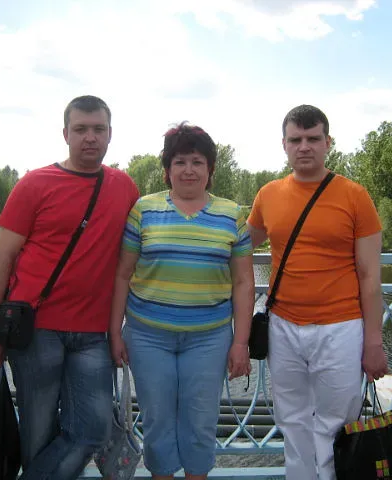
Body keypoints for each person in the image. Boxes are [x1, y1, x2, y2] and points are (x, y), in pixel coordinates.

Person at [0, 95, 139, 480]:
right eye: (81, 129)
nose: (90, 137)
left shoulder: (123, 187)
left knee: (94, 429)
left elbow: (140, 248)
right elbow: (2, 260)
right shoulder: (35, 184)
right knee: (38, 433)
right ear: (65, 134)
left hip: (93, 333)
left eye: (98, 129)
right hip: (36, 331)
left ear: (110, 134)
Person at [247, 105, 388, 480]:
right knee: (291, 420)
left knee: (336, 424)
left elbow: (370, 275)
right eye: (296, 139)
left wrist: (373, 341)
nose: (304, 146)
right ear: (284, 144)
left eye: (313, 138)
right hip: (283, 327)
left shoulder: (355, 196)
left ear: (328, 142)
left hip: (340, 328)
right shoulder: (268, 195)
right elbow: (239, 244)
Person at [108, 123, 254, 480]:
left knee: (201, 422)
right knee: (157, 421)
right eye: (180, 162)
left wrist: (240, 342)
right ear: (167, 169)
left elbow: (243, 282)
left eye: (197, 162)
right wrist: (114, 332)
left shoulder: (232, 215)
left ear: (210, 169)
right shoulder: (144, 210)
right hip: (147, 336)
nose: (189, 170)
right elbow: (123, 274)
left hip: (209, 339)